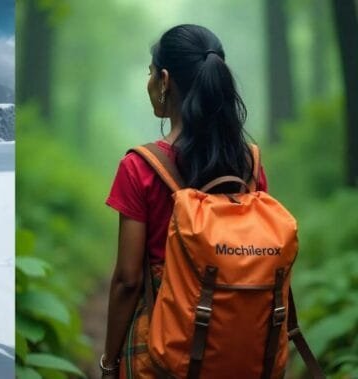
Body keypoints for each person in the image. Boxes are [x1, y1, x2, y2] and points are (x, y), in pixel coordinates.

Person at [100, 25, 268, 377]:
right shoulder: (250, 164)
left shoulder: (139, 167)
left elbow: (128, 280)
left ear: (164, 79)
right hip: (241, 349)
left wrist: (110, 361)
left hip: (162, 349)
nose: (149, 83)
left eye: (149, 74)